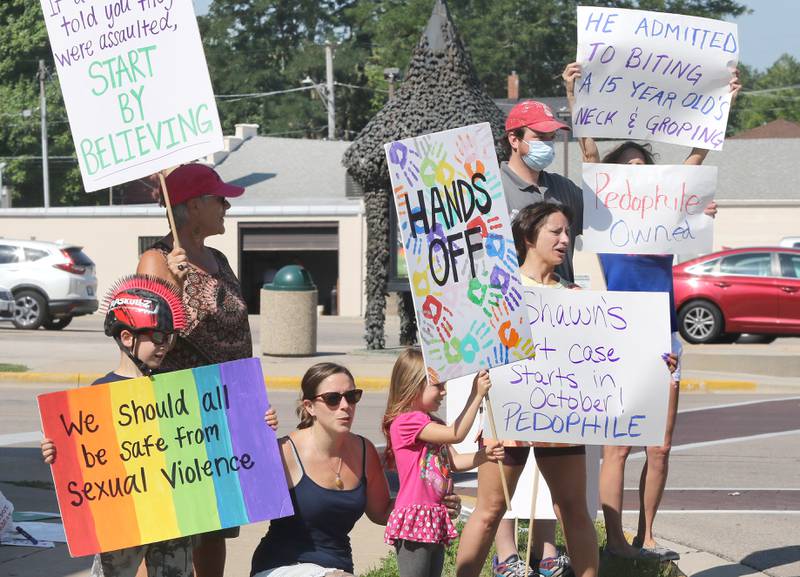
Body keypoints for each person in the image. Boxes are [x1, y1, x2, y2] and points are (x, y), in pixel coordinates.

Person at [562, 62, 741, 561]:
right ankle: (615, 542)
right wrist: (575, 93)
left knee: (660, 447)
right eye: (631, 168)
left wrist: (720, 102)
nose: (639, 173)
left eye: (647, 167)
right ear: (618, 179)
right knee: (617, 446)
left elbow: (697, 155)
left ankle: (647, 534)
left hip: (664, 337)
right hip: (620, 336)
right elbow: (590, 152)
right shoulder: (606, 213)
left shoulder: (669, 218)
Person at [458, 101, 582, 577]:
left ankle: (546, 553)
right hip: (503, 333)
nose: (548, 144)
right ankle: (505, 555)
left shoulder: (565, 190)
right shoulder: (486, 186)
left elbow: (581, 252)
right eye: (539, 134)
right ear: (514, 138)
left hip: (557, 337)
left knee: (554, 463)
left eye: (553, 135)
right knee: (503, 462)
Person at [137, 163, 251, 577]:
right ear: (194, 205)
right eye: (219, 199)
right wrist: (176, 283)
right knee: (174, 530)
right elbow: (150, 337)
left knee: (216, 526)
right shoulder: (156, 258)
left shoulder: (218, 258)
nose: (226, 206)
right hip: (180, 411)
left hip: (224, 406)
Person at [250, 362, 463, 577]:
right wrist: (257, 440)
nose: (345, 405)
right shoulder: (285, 451)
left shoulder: (364, 451)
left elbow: (382, 512)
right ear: (309, 406)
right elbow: (243, 497)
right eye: (333, 399)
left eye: (352, 396)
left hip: (339, 567)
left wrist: (431, 501)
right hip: (282, 565)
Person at [382, 348, 504, 577]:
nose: (443, 391)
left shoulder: (430, 422)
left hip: (434, 515)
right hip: (415, 516)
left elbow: (454, 460)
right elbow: (455, 434)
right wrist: (475, 395)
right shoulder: (406, 422)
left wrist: (484, 455)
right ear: (413, 385)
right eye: (437, 385)